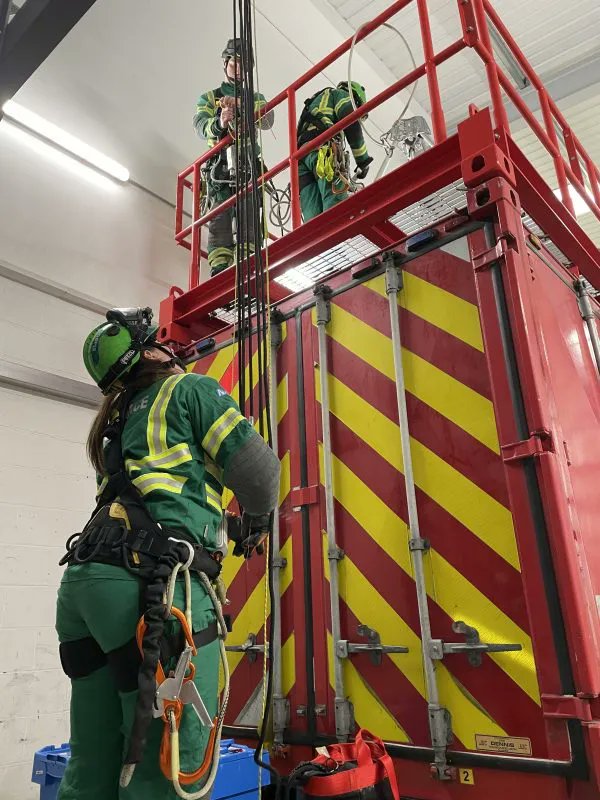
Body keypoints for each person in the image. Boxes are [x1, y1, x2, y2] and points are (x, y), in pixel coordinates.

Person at [55, 306, 280, 799]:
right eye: (159, 342)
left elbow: (156, 504)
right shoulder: (189, 390)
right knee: (166, 766)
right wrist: (259, 521)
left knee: (94, 761)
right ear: (152, 355)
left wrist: (227, 527)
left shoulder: (115, 424)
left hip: (86, 587)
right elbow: (262, 477)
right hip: (152, 590)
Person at [193, 38, 274, 277]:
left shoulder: (255, 97)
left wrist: (240, 104)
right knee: (220, 215)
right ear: (225, 64)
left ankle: (248, 263)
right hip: (219, 167)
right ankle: (219, 267)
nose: (237, 69)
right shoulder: (210, 98)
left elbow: (267, 120)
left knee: (249, 212)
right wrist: (220, 121)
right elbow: (200, 125)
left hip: (248, 164)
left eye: (242, 65)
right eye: (233, 64)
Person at [297, 81, 373, 222]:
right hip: (322, 151)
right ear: (355, 99)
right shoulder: (341, 95)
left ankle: (319, 237)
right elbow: (352, 124)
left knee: (312, 217)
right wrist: (363, 161)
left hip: (301, 159)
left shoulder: (315, 103)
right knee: (334, 203)